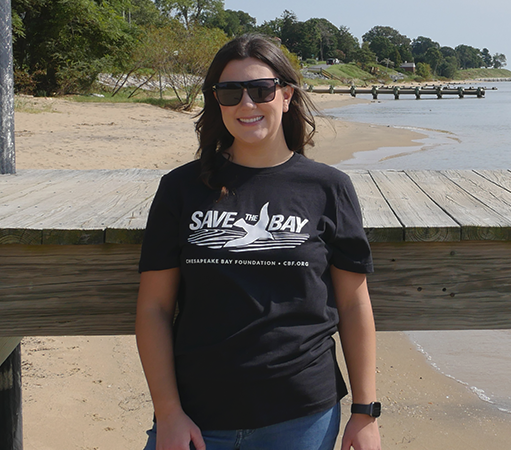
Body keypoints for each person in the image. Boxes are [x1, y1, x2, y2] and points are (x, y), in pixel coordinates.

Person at [135, 33, 382, 450]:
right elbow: (154, 307)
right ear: (216, 101)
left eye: (261, 89)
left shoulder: (328, 187)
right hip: (195, 417)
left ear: (285, 95)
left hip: (301, 417)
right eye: (230, 92)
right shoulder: (181, 188)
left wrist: (365, 412)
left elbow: (355, 304)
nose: (246, 104)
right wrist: (169, 412)